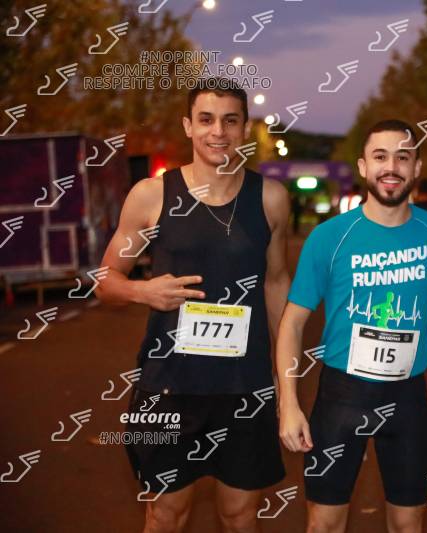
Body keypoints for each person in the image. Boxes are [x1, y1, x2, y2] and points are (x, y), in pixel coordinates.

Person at [95, 77, 290, 533]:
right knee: (165, 516)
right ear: (188, 126)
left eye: (230, 121)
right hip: (169, 386)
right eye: (206, 120)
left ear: (244, 128)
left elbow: (276, 282)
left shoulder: (270, 198)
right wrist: (144, 291)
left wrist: (286, 378)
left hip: (245, 388)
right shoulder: (152, 195)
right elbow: (105, 281)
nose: (217, 132)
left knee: (240, 517)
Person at [276, 119, 427, 533]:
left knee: (408, 523)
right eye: (380, 157)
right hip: (341, 396)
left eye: (402, 157)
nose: (391, 167)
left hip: (408, 396)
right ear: (363, 166)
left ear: (416, 167)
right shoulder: (328, 238)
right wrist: (288, 403)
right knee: (324, 524)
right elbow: (292, 324)